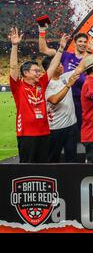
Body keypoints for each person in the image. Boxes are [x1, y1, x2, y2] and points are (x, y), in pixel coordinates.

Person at [9, 28, 69, 163]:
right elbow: (13, 67)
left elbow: (53, 66)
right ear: (25, 73)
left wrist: (60, 49)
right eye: (35, 71)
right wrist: (14, 46)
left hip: (44, 133)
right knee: (28, 167)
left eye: (38, 71)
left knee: (43, 167)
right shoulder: (18, 87)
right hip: (27, 134)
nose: (38, 73)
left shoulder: (41, 84)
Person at [38, 26, 93, 133]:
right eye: (80, 41)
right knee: (68, 129)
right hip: (66, 97)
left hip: (84, 97)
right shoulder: (65, 55)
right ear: (75, 43)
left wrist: (90, 53)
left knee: (85, 128)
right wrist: (42, 32)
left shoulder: (91, 58)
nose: (83, 43)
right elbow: (43, 49)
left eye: (85, 41)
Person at [43, 56, 85, 162]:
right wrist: (68, 85)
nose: (62, 66)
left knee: (72, 157)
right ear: (50, 68)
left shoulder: (65, 77)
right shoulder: (45, 84)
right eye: (58, 65)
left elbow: (81, 67)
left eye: (61, 64)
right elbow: (54, 100)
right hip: (54, 128)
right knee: (53, 158)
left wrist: (88, 52)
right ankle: (53, 178)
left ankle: (71, 178)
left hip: (71, 126)